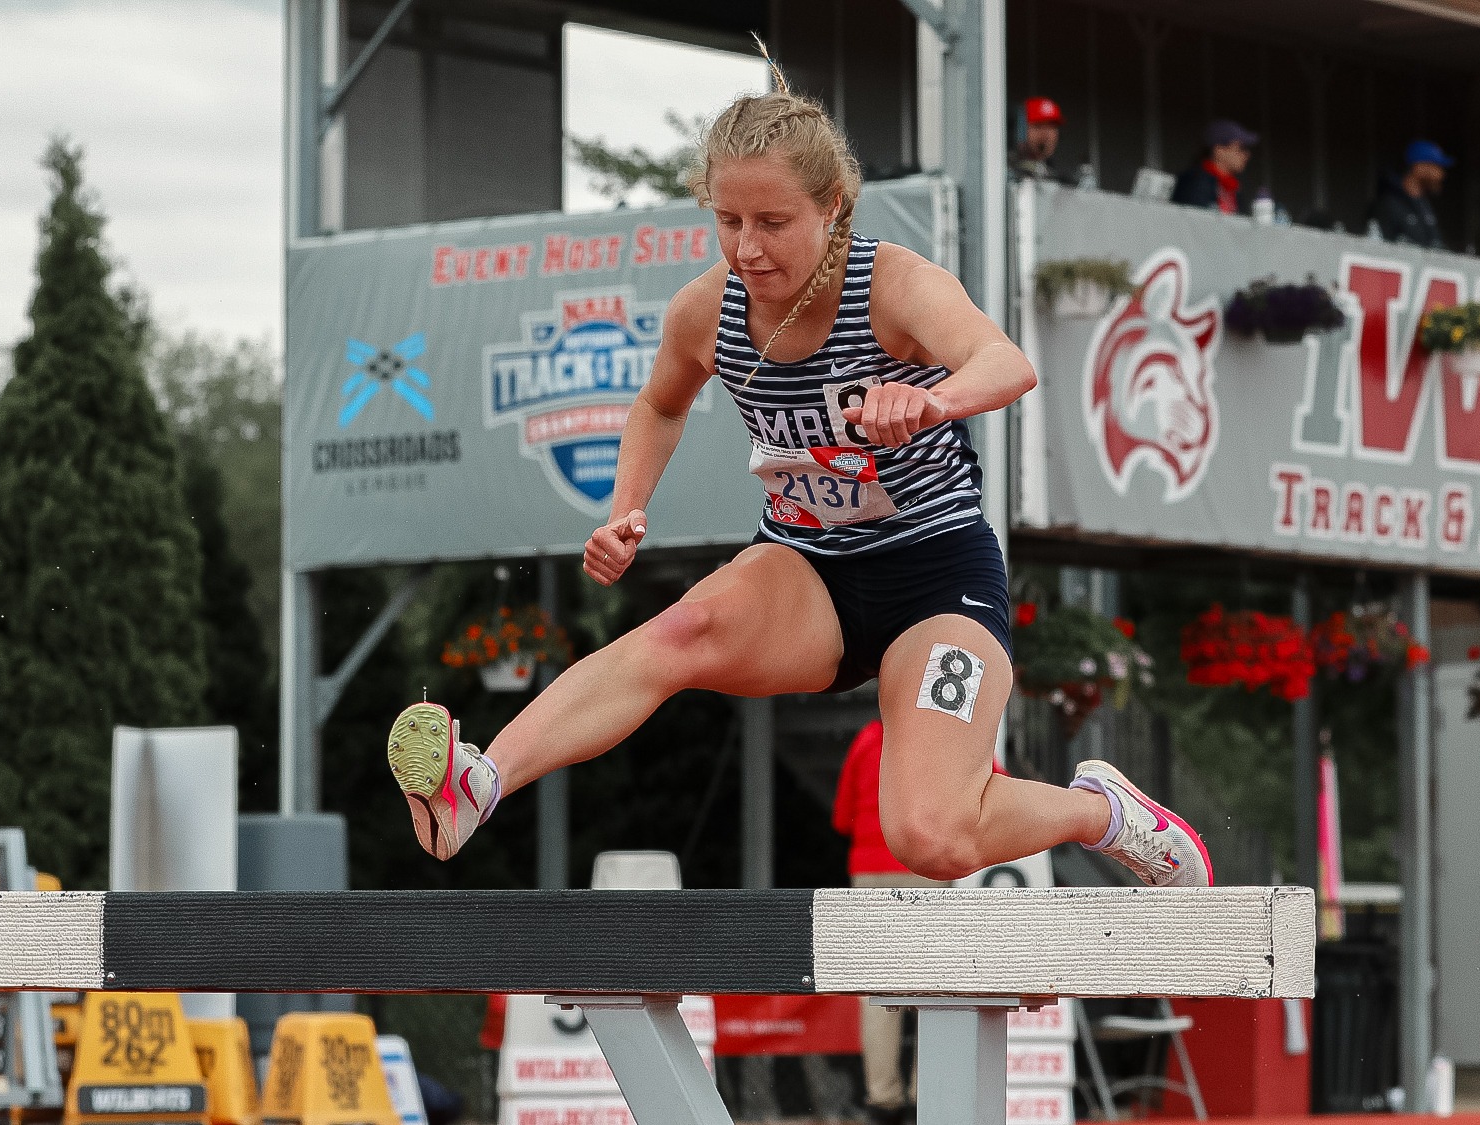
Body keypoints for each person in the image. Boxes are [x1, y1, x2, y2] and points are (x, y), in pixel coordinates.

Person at [382, 45, 1210, 893]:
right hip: (806, 569)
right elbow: (660, 405)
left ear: (833, 206)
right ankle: (478, 784)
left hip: (935, 574)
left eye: (773, 223)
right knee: (679, 631)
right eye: (728, 222)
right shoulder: (707, 310)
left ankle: (1106, 812)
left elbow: (1006, 363)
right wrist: (626, 508)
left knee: (930, 835)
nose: (747, 249)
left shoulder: (893, 287)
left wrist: (929, 402)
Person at [832, 718, 1008, 1123]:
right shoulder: (947, 732)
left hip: (870, 874)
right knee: (931, 981)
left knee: (877, 986)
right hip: (927, 868)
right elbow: (1001, 786)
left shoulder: (866, 738)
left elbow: (843, 819)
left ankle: (882, 1097)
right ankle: (923, 1093)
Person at [1366, 139, 1453, 249]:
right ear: (1419, 167)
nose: (1441, 175)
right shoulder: (1388, 204)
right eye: (1436, 167)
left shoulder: (1425, 206)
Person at [1170, 120, 1257, 215]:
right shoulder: (1195, 181)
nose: (1247, 155)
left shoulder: (1233, 187)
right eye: (1241, 148)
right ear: (1219, 150)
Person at [1013, 96, 1064, 181]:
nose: (1046, 135)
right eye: (1038, 126)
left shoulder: (1052, 172)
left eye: (1052, 127)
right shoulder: (1004, 169)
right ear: (1020, 130)